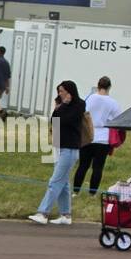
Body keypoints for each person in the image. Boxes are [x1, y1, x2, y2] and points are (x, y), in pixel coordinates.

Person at [28, 81, 87, 225]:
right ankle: (66, 215)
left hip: (70, 149)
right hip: (61, 147)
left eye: (62, 91)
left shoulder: (80, 104)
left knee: (55, 181)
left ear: (69, 91)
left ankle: (43, 212)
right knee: (64, 183)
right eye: (59, 91)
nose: (59, 94)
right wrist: (61, 106)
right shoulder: (62, 106)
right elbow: (54, 120)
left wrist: (64, 106)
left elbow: (68, 120)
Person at [73, 76, 121, 196]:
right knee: (98, 167)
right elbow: (118, 119)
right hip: (103, 138)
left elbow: (83, 113)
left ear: (98, 86)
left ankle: (76, 191)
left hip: (88, 135)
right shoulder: (113, 103)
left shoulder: (90, 98)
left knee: (83, 165)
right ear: (109, 87)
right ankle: (92, 193)